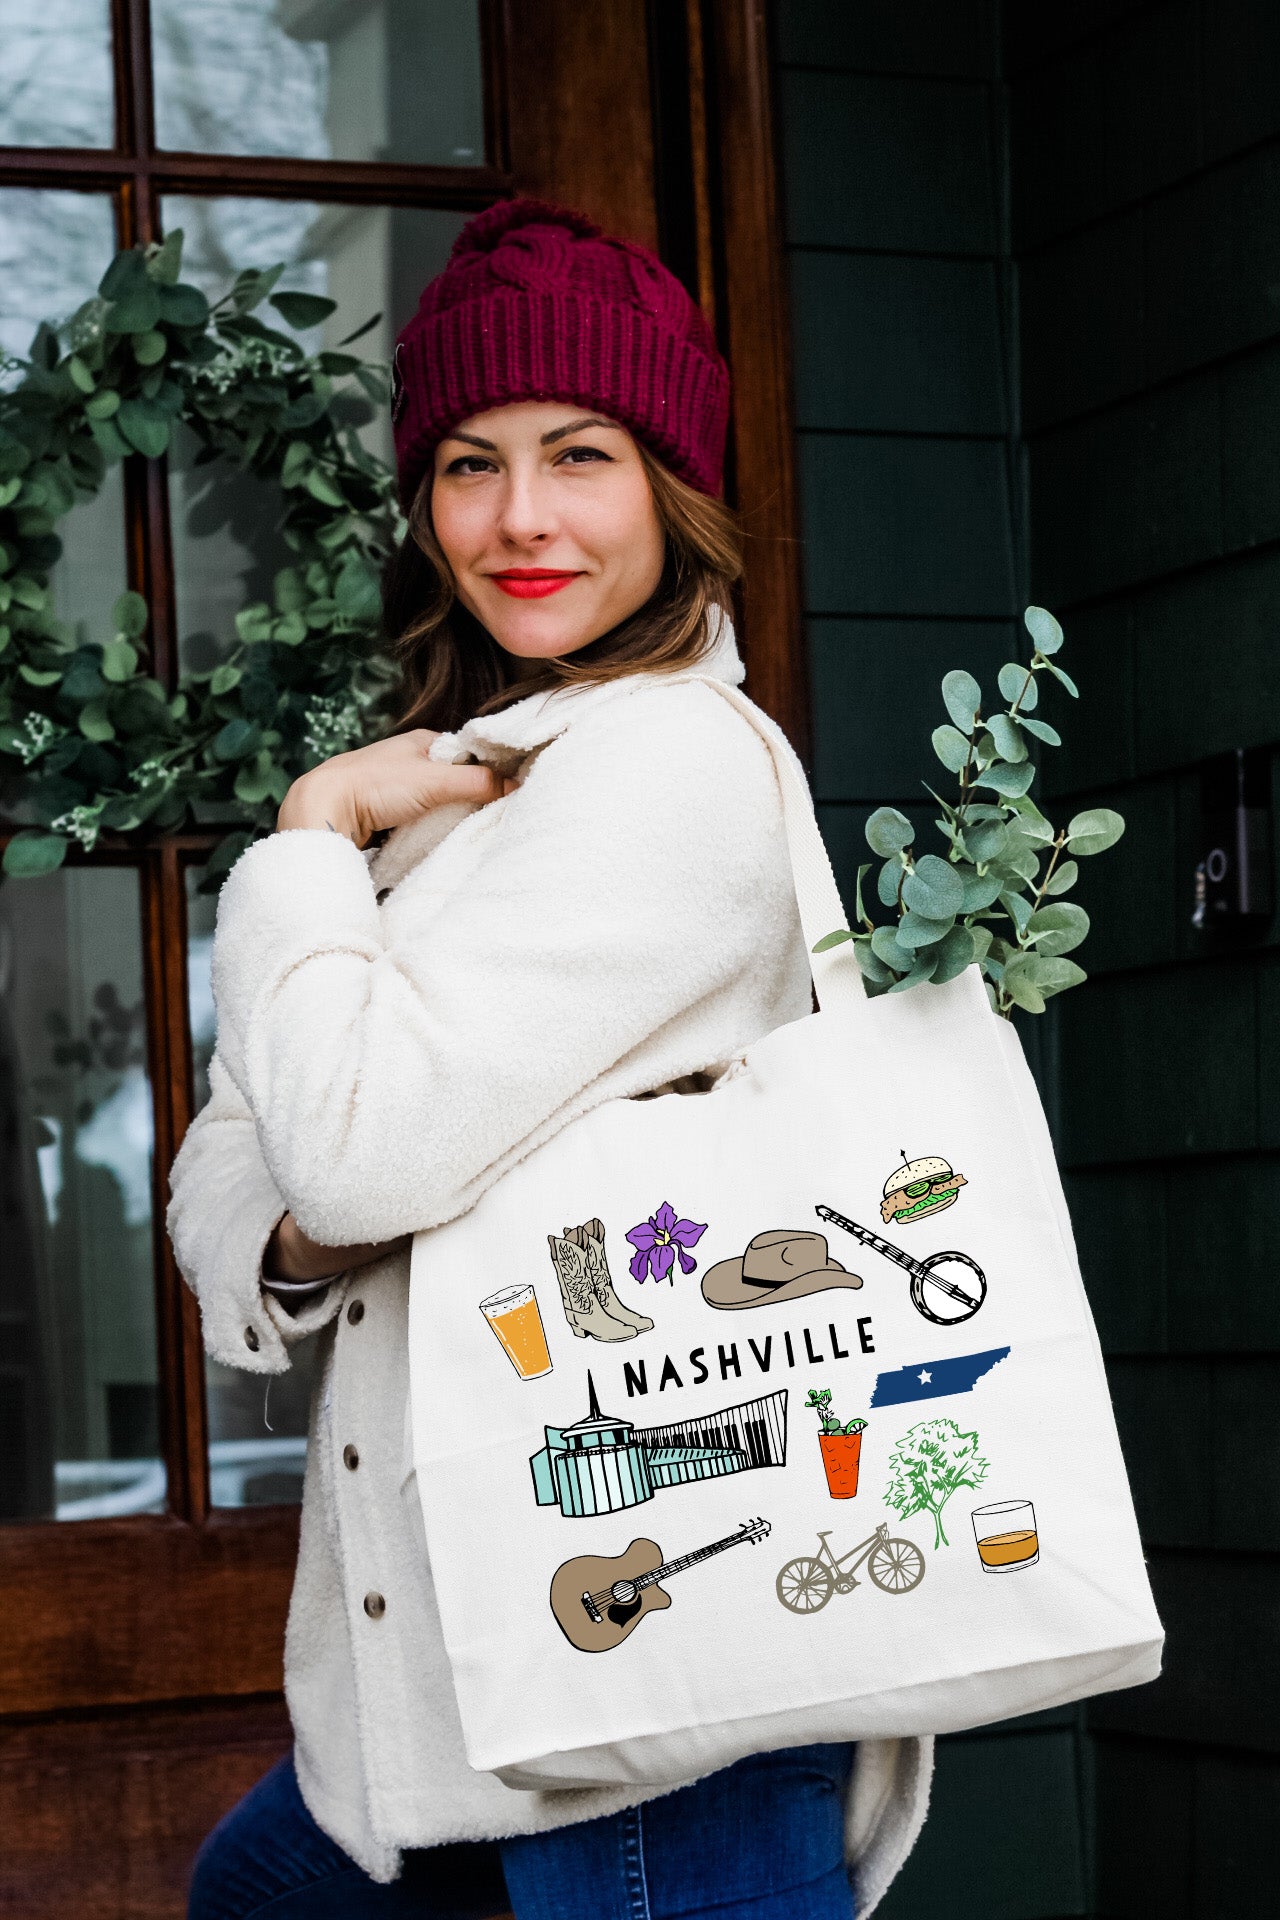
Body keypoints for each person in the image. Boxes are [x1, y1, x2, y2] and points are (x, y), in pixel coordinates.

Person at [171, 199, 932, 1920]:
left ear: (672, 485)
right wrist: (311, 1203)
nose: (518, 519)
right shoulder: (466, 788)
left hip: (652, 1684)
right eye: (466, 462)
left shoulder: (663, 767)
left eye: (578, 454)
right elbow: (238, 1172)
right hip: (452, 1682)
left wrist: (305, 836)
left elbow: (348, 1152)